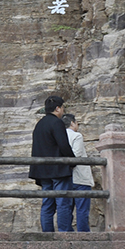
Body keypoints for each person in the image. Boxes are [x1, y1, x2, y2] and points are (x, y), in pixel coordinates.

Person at [28, 96, 76, 232]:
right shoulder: (57, 123)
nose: (62, 111)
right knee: (62, 202)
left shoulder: (40, 124)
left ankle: (47, 235)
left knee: (47, 203)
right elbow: (64, 145)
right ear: (57, 108)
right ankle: (64, 233)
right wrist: (73, 160)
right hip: (58, 169)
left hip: (43, 170)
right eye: (62, 108)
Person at [63, 114, 94, 233]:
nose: (77, 125)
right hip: (80, 178)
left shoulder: (60, 137)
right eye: (76, 123)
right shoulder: (77, 136)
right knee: (82, 209)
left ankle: (67, 233)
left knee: (67, 208)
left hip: (66, 178)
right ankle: (83, 233)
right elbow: (77, 155)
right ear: (72, 123)